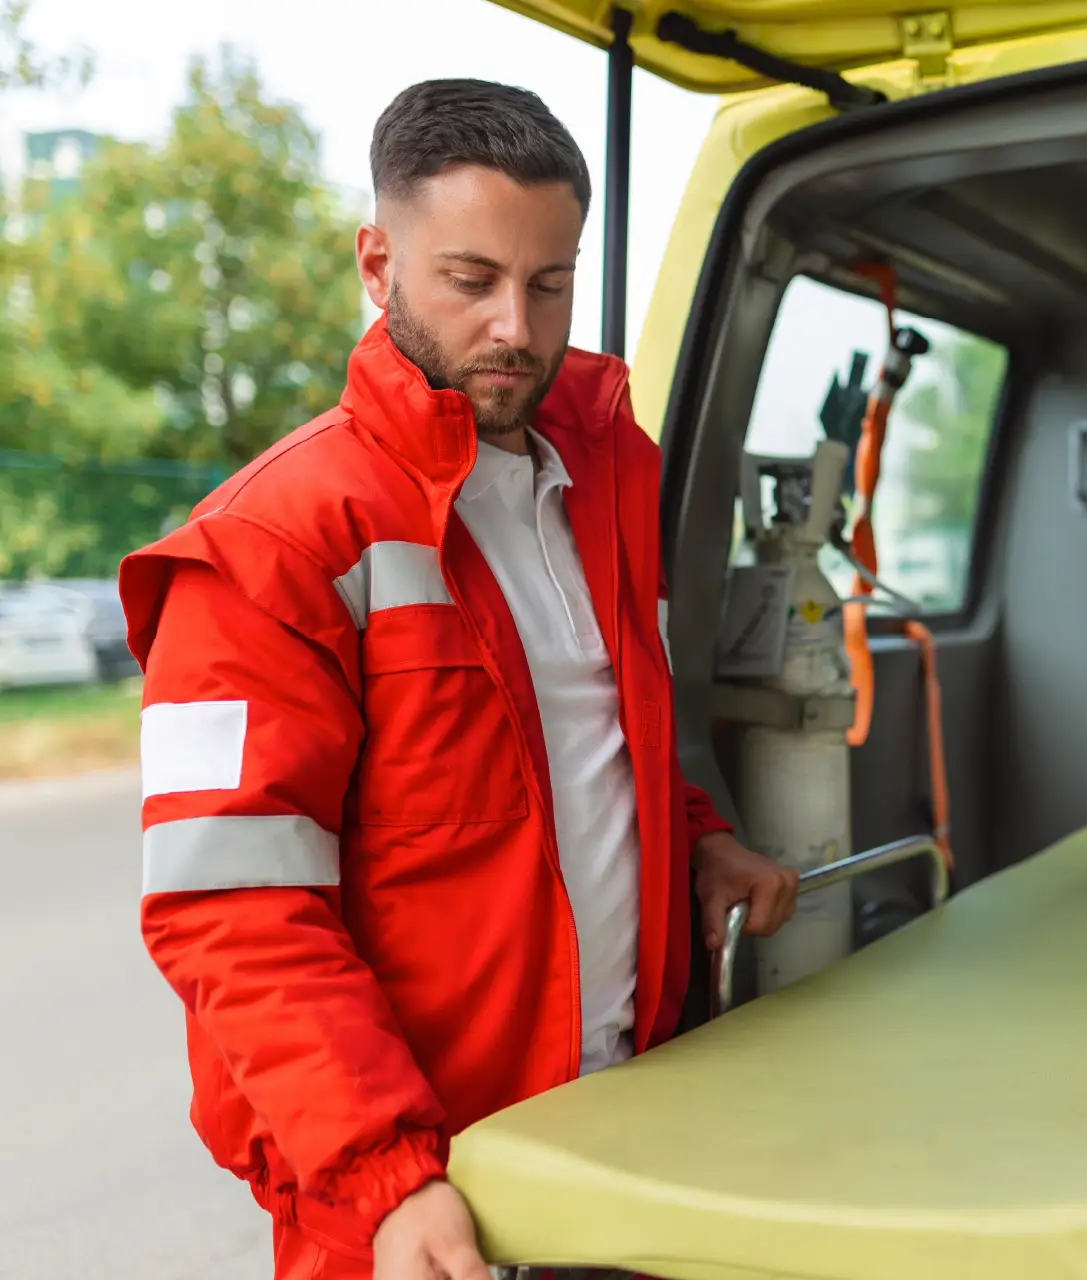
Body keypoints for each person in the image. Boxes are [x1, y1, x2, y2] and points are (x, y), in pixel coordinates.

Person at [120, 80, 800, 1280]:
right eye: (472, 280)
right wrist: (388, 1173)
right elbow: (231, 904)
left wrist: (695, 839)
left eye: (550, 283)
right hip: (427, 1193)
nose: (516, 329)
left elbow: (595, 744)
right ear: (378, 262)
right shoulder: (270, 544)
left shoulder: (609, 479)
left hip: (625, 1133)